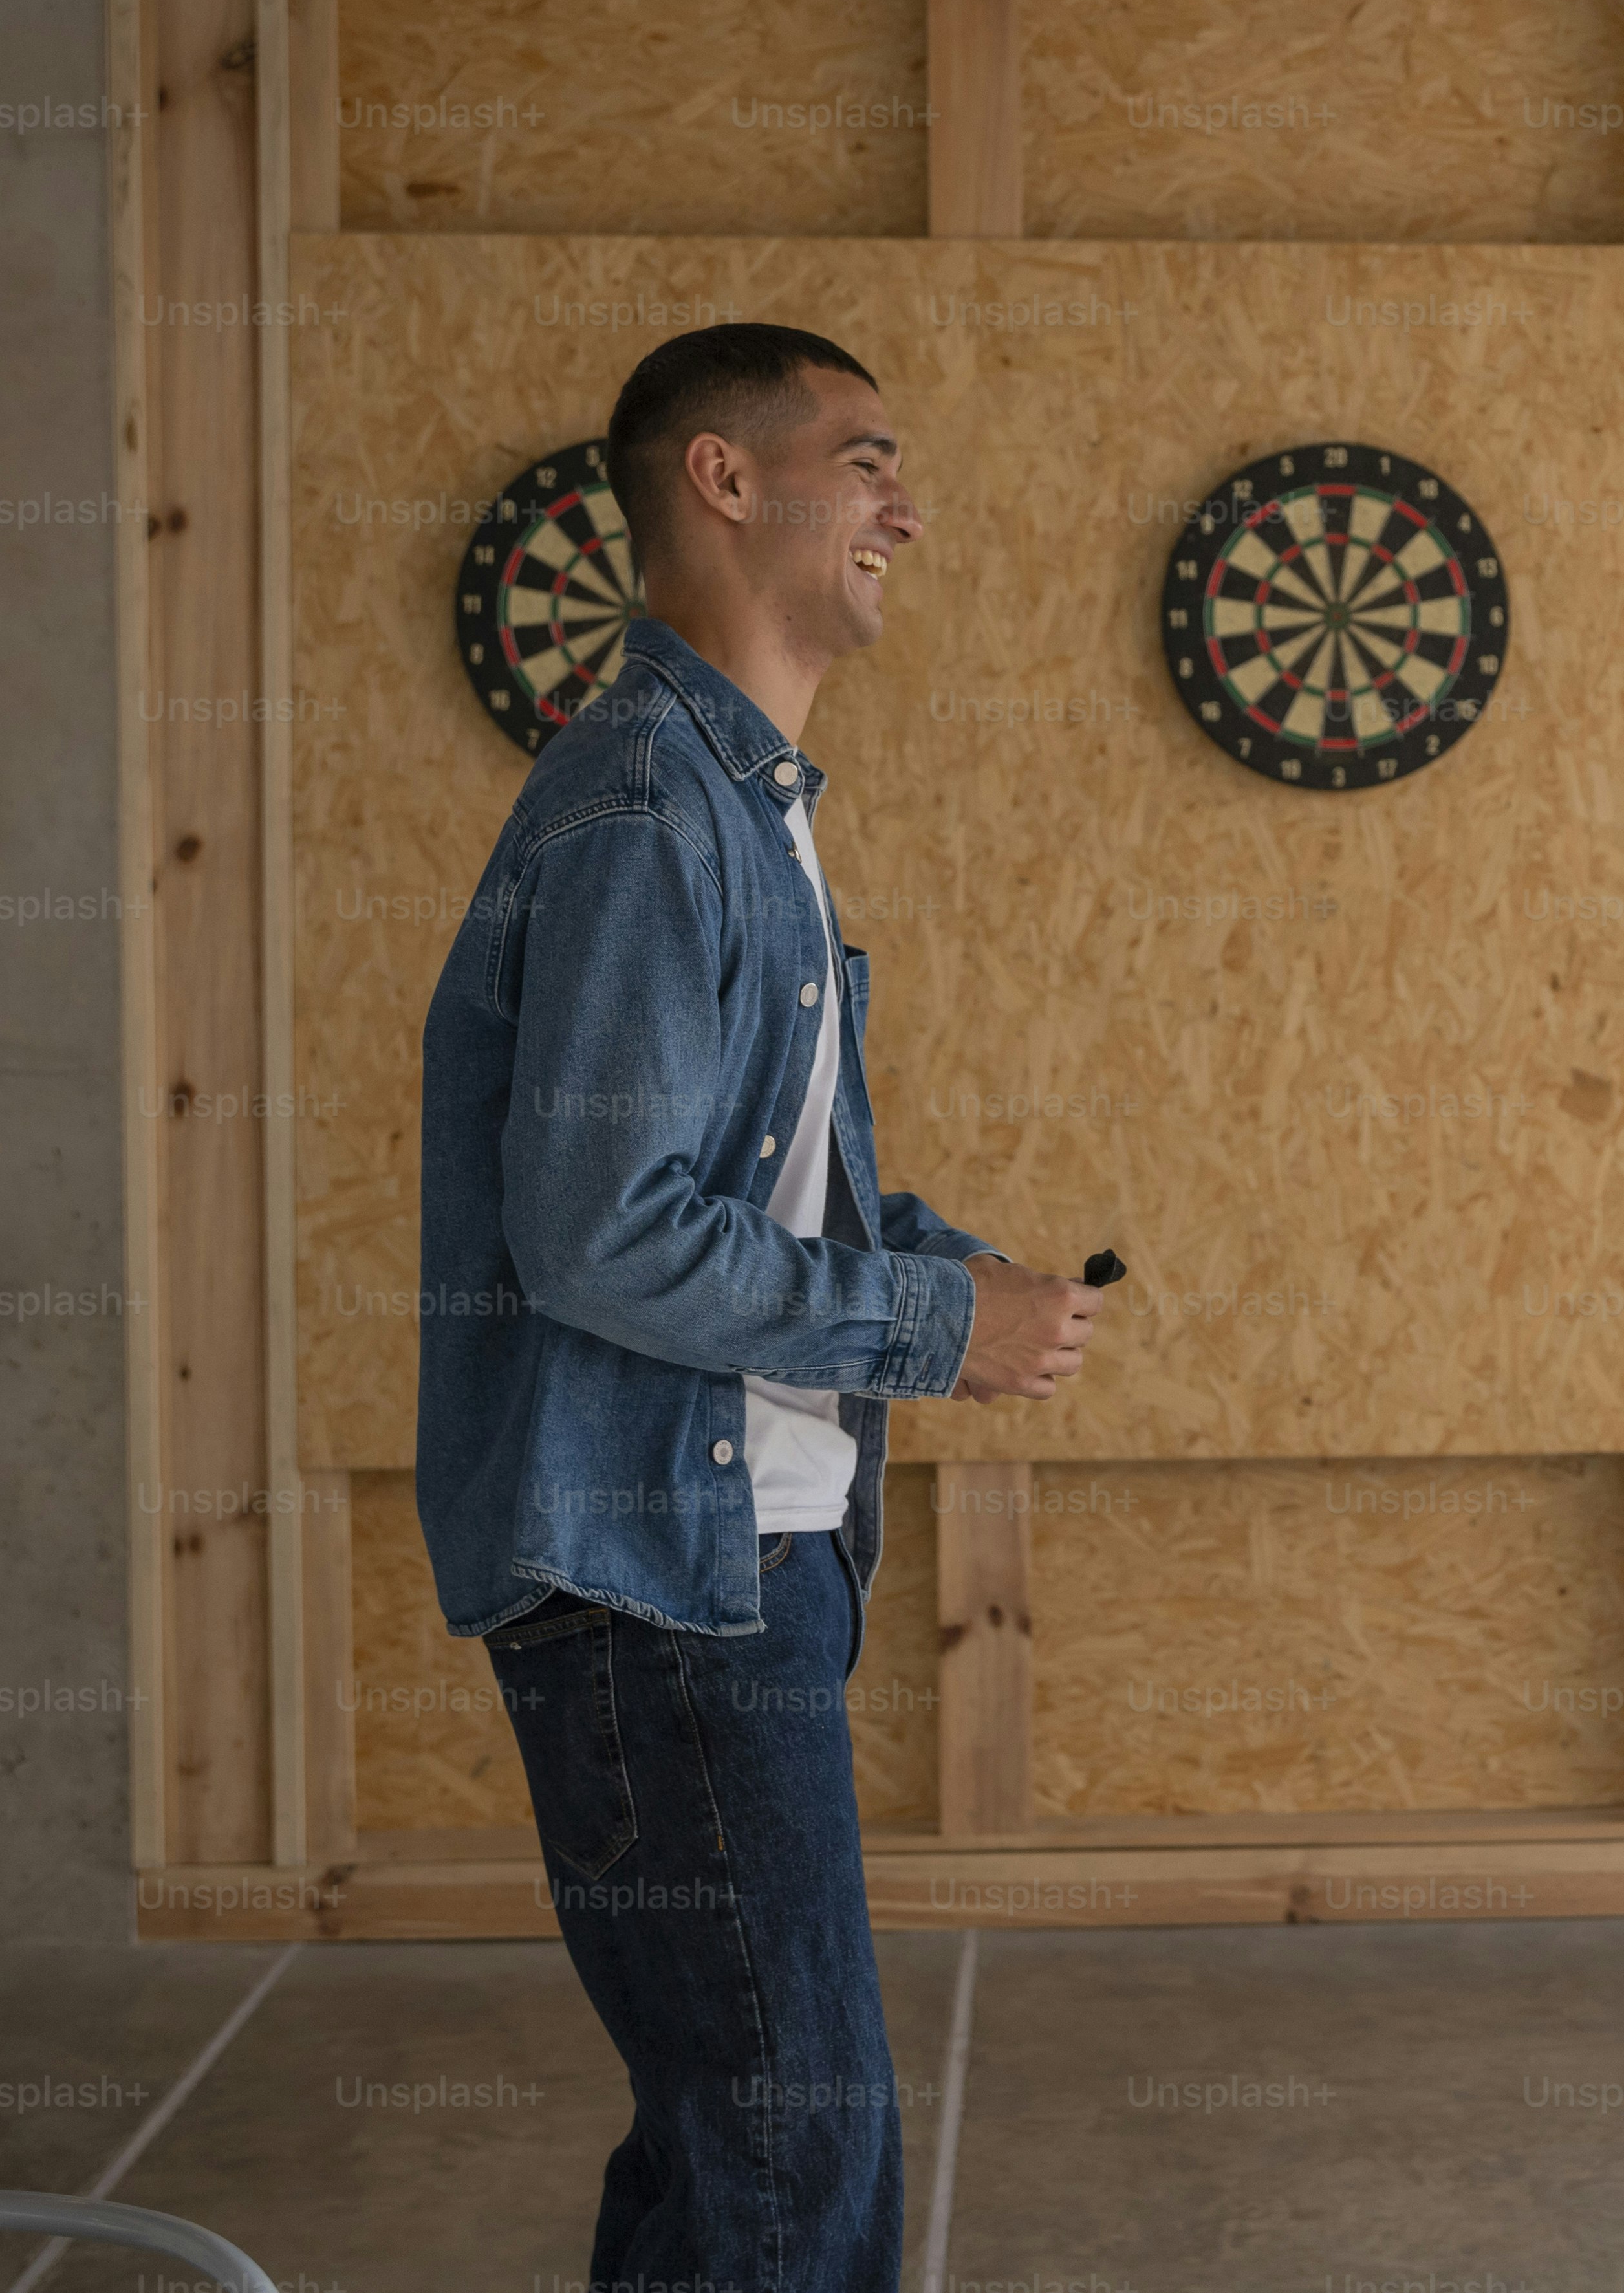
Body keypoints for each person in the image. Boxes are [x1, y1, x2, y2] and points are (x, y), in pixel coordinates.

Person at [413, 323, 1104, 2291]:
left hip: (717, 1555)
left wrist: (935, 1264)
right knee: (794, 2159)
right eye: (864, 459)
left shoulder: (737, 796)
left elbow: (719, 1180)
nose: (908, 506)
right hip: (667, 1578)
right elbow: (604, 1234)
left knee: (741, 2141)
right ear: (723, 481)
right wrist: (913, 1324)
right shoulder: (649, 803)